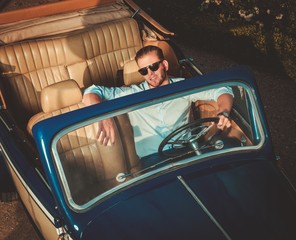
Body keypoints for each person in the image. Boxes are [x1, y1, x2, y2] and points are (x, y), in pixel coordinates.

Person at [82, 45, 233, 158]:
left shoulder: (183, 86)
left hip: (187, 152)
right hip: (153, 163)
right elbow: (91, 92)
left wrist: (223, 111)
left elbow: (222, 90)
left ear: (165, 65)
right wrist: (103, 116)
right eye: (143, 71)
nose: (150, 74)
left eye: (154, 66)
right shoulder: (132, 93)